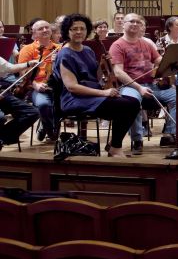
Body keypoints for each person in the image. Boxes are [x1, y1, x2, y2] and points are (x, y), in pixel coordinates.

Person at [52, 13, 140, 157]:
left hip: (92, 95)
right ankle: (115, 147)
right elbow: (72, 87)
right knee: (126, 106)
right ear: (67, 31)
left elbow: (97, 77)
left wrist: (104, 64)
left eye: (82, 28)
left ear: (87, 31)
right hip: (74, 99)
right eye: (74, 29)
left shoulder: (87, 50)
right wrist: (104, 93)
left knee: (133, 102)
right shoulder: (65, 54)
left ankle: (114, 145)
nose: (79, 32)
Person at [109, 13, 178, 154]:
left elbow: (160, 61)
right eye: (131, 21)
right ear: (124, 24)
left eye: (138, 22)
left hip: (152, 85)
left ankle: (170, 134)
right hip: (130, 86)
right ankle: (137, 139)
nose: (135, 24)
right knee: (132, 101)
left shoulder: (146, 44)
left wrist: (172, 65)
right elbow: (118, 73)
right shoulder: (117, 45)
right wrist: (139, 88)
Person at [17, 19, 61, 142]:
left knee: (61, 105)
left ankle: (45, 126)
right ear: (34, 33)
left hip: (57, 86)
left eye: (47, 27)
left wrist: (57, 61)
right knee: (44, 104)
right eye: (41, 29)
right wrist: (35, 84)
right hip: (36, 88)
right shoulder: (27, 49)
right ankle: (50, 131)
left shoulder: (59, 48)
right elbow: (23, 73)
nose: (45, 30)